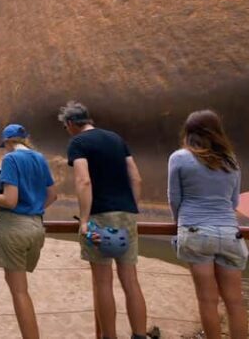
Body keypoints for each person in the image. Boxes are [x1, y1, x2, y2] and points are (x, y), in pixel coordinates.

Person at [59, 101, 147, 339]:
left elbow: (83, 181)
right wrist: (132, 208)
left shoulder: (78, 143)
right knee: (131, 281)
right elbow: (136, 177)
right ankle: (139, 334)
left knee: (103, 283)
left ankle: (109, 336)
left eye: (66, 127)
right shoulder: (117, 139)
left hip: (99, 216)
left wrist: (84, 220)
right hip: (126, 214)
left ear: (70, 124)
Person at [168, 110, 248, 339]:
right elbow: (234, 202)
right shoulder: (231, 160)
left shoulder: (179, 158)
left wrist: (178, 224)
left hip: (195, 231)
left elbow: (174, 198)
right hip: (230, 233)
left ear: (188, 132)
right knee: (235, 302)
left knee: (207, 300)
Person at [0, 124, 57, 339]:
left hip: (14, 227)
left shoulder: (10, 159)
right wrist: (34, 208)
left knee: (19, 292)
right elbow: (52, 195)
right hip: (36, 226)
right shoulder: (40, 158)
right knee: (21, 288)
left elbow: (10, 200)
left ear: (7, 142)